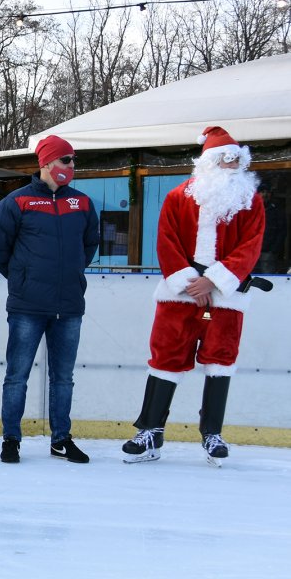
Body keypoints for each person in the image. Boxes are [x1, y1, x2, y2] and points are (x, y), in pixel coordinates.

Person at [122, 126, 265, 465]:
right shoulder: (177, 198)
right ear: (209, 162)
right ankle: (150, 432)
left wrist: (213, 281)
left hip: (227, 297)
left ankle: (212, 433)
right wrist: (191, 282)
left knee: (221, 359)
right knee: (166, 358)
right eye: (224, 159)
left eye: (236, 159)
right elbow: (166, 242)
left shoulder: (251, 201)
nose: (231, 165)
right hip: (179, 296)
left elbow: (251, 246)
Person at [0, 135, 99, 464]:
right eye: (66, 160)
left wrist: (71, 274)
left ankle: (61, 439)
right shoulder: (16, 202)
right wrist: (22, 278)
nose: (71, 166)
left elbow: (89, 245)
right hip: (27, 307)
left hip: (69, 306)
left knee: (63, 377)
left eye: (73, 161)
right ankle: (11, 438)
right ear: (47, 164)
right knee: (17, 375)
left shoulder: (83, 203)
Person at [254, 182, 286, 274]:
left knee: (268, 276)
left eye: (267, 192)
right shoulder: (251, 209)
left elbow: (282, 231)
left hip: (268, 252)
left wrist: (274, 249)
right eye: (262, 192)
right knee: (250, 277)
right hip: (252, 250)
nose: (265, 194)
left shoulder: (276, 210)